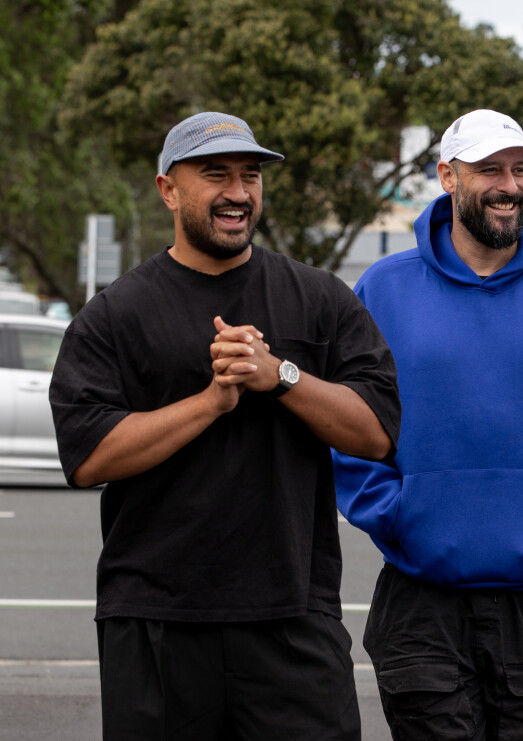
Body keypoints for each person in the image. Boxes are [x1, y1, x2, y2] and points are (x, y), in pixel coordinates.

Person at [49, 111, 401, 740]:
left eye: (250, 176)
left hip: (294, 614)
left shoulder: (320, 298)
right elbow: (88, 458)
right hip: (154, 619)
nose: (238, 192)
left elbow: (376, 433)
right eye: (216, 175)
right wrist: (211, 402)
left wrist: (281, 376)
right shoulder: (114, 315)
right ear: (168, 190)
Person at [333, 108, 523, 739]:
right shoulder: (383, 290)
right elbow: (351, 420)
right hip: (419, 591)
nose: (509, 185)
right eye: (489, 169)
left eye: (519, 169)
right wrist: (395, 514)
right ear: (448, 177)